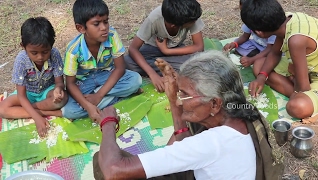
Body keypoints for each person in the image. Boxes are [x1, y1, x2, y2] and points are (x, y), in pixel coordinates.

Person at [93, 50, 284, 179]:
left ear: (214, 103)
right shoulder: (241, 111)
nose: (178, 100)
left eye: (184, 94)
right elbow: (180, 143)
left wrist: (108, 123)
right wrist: (173, 99)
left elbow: (114, 170)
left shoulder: (210, 143)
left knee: (104, 160)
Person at [62, 0, 142, 121]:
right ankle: (113, 98)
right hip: (84, 83)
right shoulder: (73, 50)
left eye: (106, 21)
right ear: (81, 28)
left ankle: (98, 100)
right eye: (96, 24)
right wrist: (88, 106)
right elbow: (70, 84)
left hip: (107, 75)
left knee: (136, 80)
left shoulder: (112, 35)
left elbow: (120, 68)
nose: (104, 28)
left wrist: (99, 95)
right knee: (69, 111)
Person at [241, 0, 318, 123]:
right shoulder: (287, 20)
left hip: (316, 75)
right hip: (306, 65)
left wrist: (296, 82)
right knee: (259, 66)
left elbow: (303, 87)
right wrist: (261, 78)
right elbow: (275, 53)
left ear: (259, 32)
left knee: (296, 107)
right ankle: (297, 86)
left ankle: (303, 95)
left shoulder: (296, 41)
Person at [0, 17, 68, 137]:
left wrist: (58, 90)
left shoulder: (55, 54)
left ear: (51, 46)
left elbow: (59, 83)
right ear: (23, 46)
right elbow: (21, 96)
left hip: (47, 92)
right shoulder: (21, 60)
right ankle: (44, 112)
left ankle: (30, 111)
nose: (40, 57)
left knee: (63, 98)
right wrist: (37, 117)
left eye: (45, 52)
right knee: (2, 109)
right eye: (34, 53)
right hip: (27, 94)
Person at [124, 0, 204, 92]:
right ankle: (167, 68)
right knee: (127, 61)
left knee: (199, 61)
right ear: (174, 26)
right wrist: (153, 74)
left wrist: (166, 51)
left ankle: (166, 67)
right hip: (152, 50)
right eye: (193, 22)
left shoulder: (191, 14)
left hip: (176, 50)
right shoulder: (154, 19)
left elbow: (199, 47)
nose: (195, 22)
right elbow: (133, 49)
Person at [223, 0, 276, 68]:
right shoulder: (249, 20)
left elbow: (270, 49)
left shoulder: (269, 24)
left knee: (267, 59)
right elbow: (245, 36)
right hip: (255, 44)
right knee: (238, 46)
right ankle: (255, 55)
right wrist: (234, 44)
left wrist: (252, 60)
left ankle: (255, 56)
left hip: (270, 49)